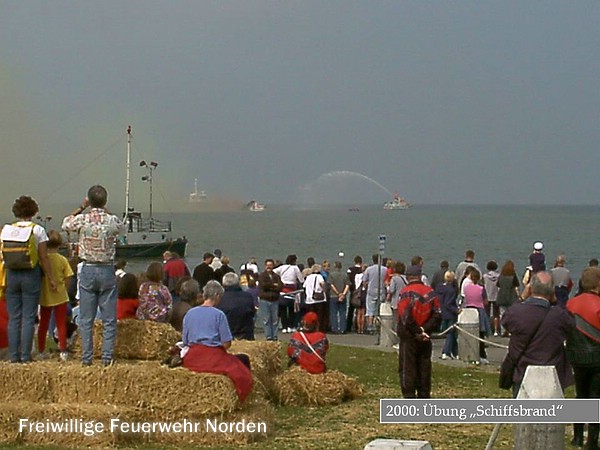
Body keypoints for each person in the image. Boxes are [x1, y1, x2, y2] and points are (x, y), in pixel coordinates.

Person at [61, 185, 124, 366]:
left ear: (89, 200)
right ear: (105, 201)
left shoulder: (83, 219)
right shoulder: (111, 220)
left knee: (86, 318)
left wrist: (82, 207)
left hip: (87, 268)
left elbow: (65, 223)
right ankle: (106, 358)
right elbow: (122, 228)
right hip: (106, 269)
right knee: (109, 319)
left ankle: (86, 358)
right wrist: (105, 210)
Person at [502, 271, 575, 398]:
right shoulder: (559, 315)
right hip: (554, 373)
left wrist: (521, 298)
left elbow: (505, 320)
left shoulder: (517, 312)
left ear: (530, 288)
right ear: (552, 292)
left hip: (522, 371)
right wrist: (557, 302)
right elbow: (571, 324)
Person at [1, 195, 56, 363]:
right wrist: (51, 277)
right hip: (30, 274)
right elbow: (44, 257)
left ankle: (13, 356)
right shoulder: (37, 230)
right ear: (33, 211)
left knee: (14, 317)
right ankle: (25, 356)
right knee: (28, 317)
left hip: (11, 274)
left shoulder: (6, 229)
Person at [182, 280, 253, 402]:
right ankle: (245, 398)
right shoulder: (219, 314)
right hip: (212, 358)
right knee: (241, 364)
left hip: (192, 358)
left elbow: (186, 341)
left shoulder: (189, 313)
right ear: (217, 296)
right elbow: (226, 343)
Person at [566, 266, 600, 449]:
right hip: (597, 358)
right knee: (595, 398)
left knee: (581, 395)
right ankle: (592, 440)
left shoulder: (571, 303)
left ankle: (577, 436)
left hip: (576, 357)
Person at [397, 265, 441, 398]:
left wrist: (417, 330)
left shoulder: (406, 293)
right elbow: (437, 315)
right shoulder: (431, 293)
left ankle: (409, 396)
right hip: (426, 336)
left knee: (407, 368)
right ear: (420, 276)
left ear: (407, 277)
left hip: (409, 337)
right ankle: (424, 395)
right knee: (424, 367)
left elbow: (405, 317)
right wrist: (425, 330)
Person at [37, 230, 74, 362]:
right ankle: (63, 350)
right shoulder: (62, 260)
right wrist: (65, 289)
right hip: (60, 295)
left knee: (43, 324)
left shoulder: (41, 260)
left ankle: (41, 350)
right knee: (61, 324)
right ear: (59, 245)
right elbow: (69, 277)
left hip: (45, 295)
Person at [217, 272, 256, 340]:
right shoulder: (247, 296)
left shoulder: (219, 299)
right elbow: (252, 313)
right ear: (238, 283)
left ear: (223, 284)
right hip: (246, 335)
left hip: (227, 335)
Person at [463, 269, 491, 365]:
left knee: (470, 335)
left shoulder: (466, 288)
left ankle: (470, 353)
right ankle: (482, 355)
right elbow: (486, 301)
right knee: (481, 335)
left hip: (469, 309)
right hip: (479, 310)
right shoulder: (481, 288)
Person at [274, 254, 304, 333]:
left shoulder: (282, 267)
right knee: (291, 311)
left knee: (283, 310)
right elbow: (301, 279)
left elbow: (273, 272)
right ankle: (291, 326)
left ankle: (284, 327)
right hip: (292, 291)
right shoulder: (295, 268)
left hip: (283, 291)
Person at [258, 259, 283, 341]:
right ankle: (268, 336)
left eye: (270, 265)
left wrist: (272, 286)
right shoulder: (262, 276)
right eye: (267, 265)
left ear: (273, 266)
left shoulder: (276, 276)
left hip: (275, 300)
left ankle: (275, 336)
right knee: (266, 319)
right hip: (265, 300)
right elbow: (264, 285)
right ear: (265, 266)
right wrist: (273, 285)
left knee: (275, 320)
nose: (269, 267)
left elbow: (280, 286)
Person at [436, 270, 459, 360]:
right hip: (450, 314)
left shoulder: (439, 287)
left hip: (442, 312)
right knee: (450, 333)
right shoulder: (451, 290)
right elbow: (449, 304)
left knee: (450, 333)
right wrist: (456, 310)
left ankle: (455, 352)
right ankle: (446, 352)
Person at [362, 254, 387, 334]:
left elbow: (364, 281)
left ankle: (370, 327)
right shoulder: (385, 269)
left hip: (371, 291)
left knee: (370, 310)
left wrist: (366, 287)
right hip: (381, 291)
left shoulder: (369, 269)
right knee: (380, 309)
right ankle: (379, 326)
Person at [496, 260, 521, 336]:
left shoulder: (501, 276)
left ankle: (503, 330)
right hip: (511, 298)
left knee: (502, 314)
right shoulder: (513, 276)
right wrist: (519, 297)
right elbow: (516, 287)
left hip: (501, 298)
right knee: (512, 315)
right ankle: (510, 331)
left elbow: (498, 287)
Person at [386, 261, 408, 345]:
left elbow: (391, 290)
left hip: (396, 303)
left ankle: (397, 340)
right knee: (404, 322)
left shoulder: (394, 279)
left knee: (396, 322)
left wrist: (387, 286)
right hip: (405, 303)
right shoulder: (406, 278)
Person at [303, 264, 328, 333]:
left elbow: (304, 286)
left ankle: (310, 328)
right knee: (319, 316)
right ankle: (318, 329)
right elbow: (322, 284)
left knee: (310, 315)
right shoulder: (319, 276)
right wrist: (324, 290)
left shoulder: (308, 277)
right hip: (318, 299)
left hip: (309, 299)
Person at [328, 261, 350, 334]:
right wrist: (343, 294)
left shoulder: (331, 275)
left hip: (333, 296)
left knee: (334, 313)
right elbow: (347, 285)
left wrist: (338, 293)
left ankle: (334, 328)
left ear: (335, 266)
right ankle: (342, 328)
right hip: (343, 297)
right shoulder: (345, 275)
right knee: (342, 313)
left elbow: (331, 285)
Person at [346, 255, 364, 333]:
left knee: (351, 309)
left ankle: (348, 326)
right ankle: (358, 327)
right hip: (360, 292)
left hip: (352, 291)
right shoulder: (362, 270)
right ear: (361, 262)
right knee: (360, 310)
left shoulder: (350, 270)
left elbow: (348, 279)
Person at [483, 260, 500, 336]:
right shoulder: (499, 276)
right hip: (496, 296)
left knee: (487, 313)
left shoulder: (485, 276)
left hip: (487, 296)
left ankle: (487, 329)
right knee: (496, 314)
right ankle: (496, 330)